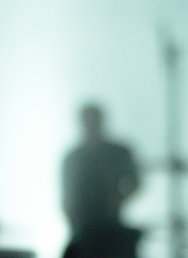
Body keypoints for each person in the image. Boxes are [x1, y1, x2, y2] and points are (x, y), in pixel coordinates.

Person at [61, 103, 142, 258]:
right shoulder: (73, 158)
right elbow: (67, 198)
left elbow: (135, 183)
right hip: (84, 233)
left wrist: (116, 198)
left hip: (111, 230)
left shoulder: (118, 153)